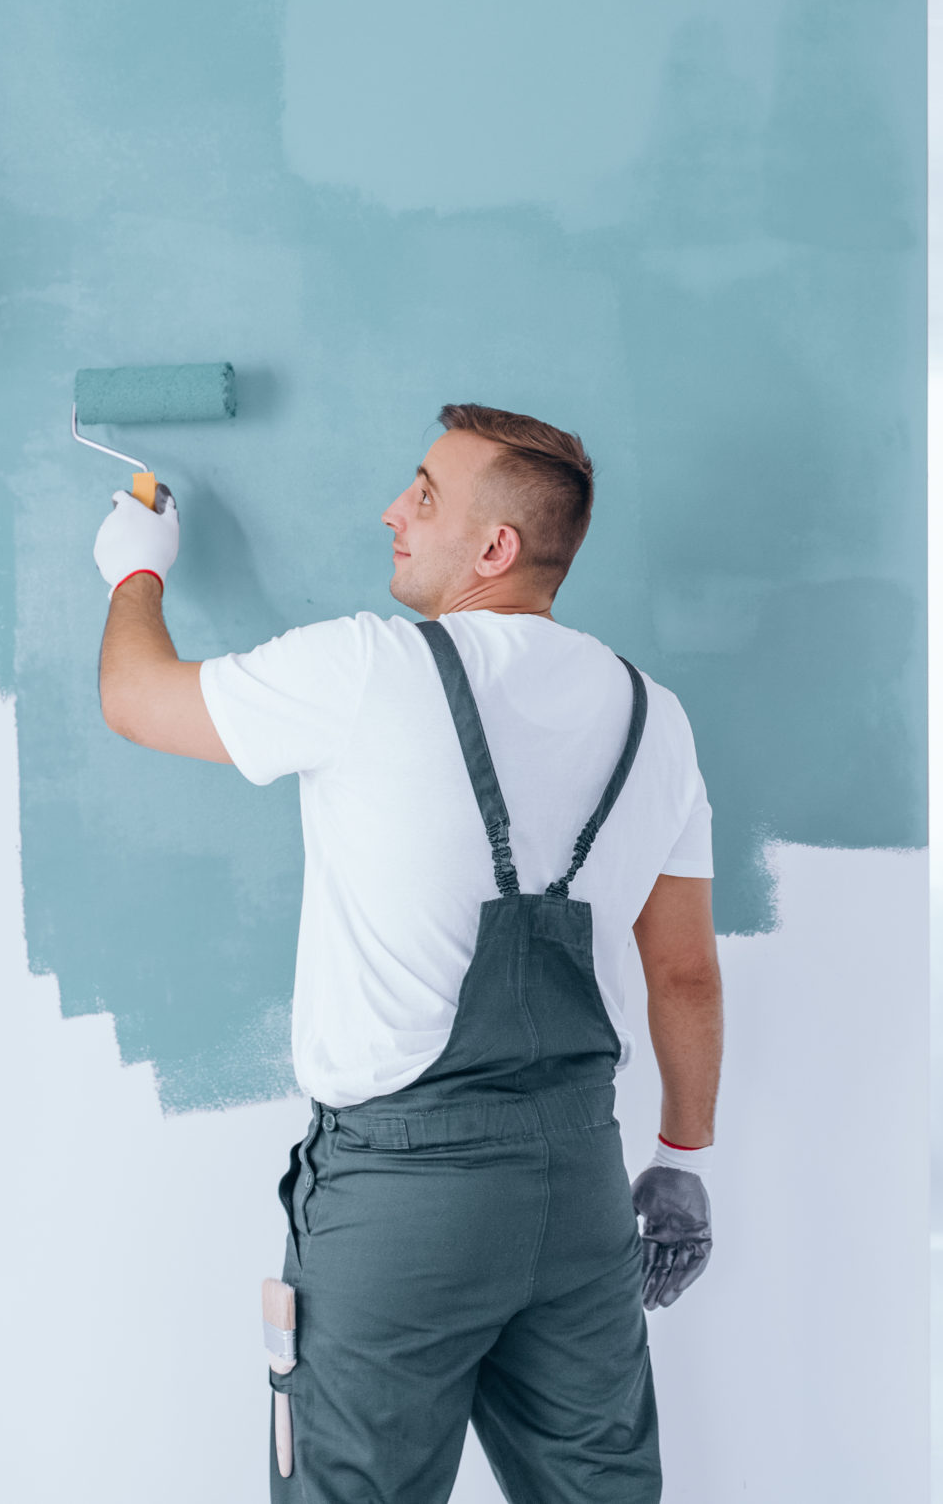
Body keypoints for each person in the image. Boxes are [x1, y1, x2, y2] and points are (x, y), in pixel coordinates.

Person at [94, 403, 722, 1503]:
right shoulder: (651, 715)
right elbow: (682, 972)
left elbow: (136, 699)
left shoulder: (366, 668)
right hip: (578, 1193)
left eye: (422, 495)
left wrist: (132, 572)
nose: (393, 510)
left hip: (401, 1208)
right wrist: (683, 1162)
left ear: (495, 548)